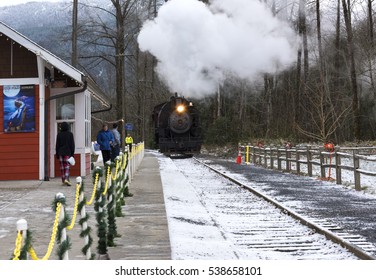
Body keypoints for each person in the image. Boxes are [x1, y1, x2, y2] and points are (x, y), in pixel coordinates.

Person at [55, 122, 75, 186]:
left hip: (60, 152)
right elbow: (72, 145)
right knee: (67, 166)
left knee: (62, 167)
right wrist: (72, 153)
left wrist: (57, 153)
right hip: (67, 152)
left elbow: (57, 145)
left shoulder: (59, 134)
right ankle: (66, 178)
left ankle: (63, 180)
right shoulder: (70, 134)